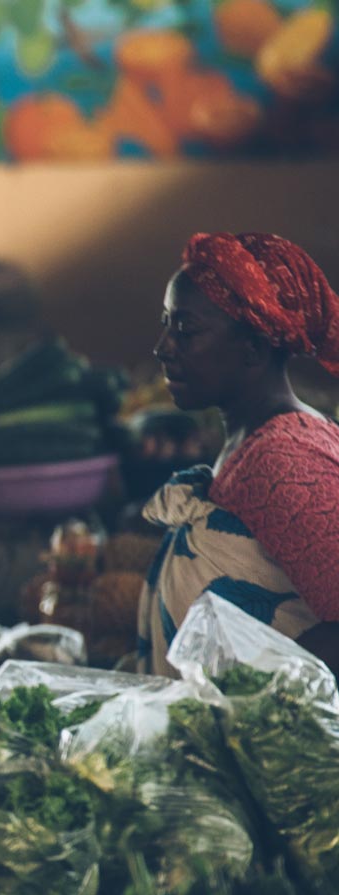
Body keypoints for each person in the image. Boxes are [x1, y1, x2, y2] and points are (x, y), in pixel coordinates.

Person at [141, 232, 339, 676]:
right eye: (167, 323)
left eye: (185, 330)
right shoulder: (253, 441)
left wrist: (244, 691)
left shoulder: (283, 462)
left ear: (252, 347)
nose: (163, 347)